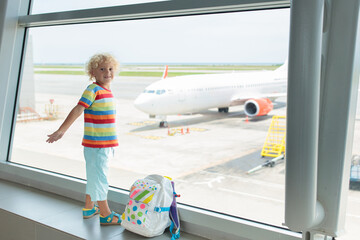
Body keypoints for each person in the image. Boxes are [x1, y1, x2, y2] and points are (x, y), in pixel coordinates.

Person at [46, 53, 121, 225]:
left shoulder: (106, 92)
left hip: (105, 144)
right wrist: (61, 130)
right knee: (100, 178)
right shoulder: (93, 90)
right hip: (97, 144)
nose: (107, 72)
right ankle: (105, 214)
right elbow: (78, 109)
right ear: (92, 72)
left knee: (94, 176)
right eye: (102, 69)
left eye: (110, 69)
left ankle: (89, 208)